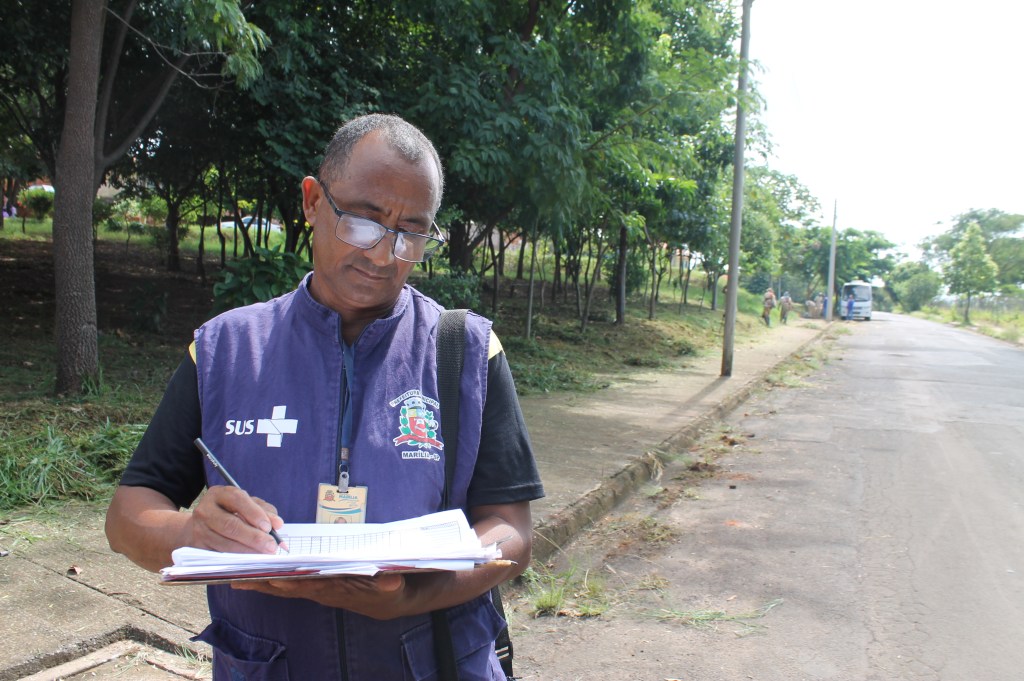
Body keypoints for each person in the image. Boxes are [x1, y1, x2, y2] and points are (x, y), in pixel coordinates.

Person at [105, 114, 544, 680]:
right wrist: (191, 534)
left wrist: (407, 598)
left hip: (431, 663)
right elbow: (127, 517)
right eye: (363, 222)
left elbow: (512, 532)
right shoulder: (225, 351)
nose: (385, 255)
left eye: (412, 232)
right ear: (313, 201)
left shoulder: (465, 352)